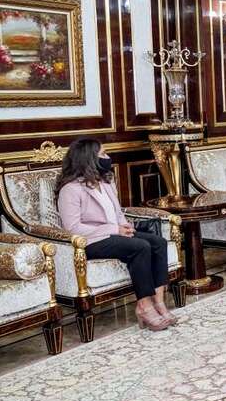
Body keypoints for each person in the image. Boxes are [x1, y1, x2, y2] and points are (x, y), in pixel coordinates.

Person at [56, 138, 177, 331]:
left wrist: (124, 226)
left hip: (114, 234)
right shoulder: (70, 190)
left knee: (158, 243)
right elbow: (73, 228)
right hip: (90, 242)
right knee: (140, 247)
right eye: (103, 154)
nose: (107, 157)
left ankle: (159, 303)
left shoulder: (106, 182)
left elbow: (117, 212)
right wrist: (114, 229)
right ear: (89, 159)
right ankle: (144, 307)